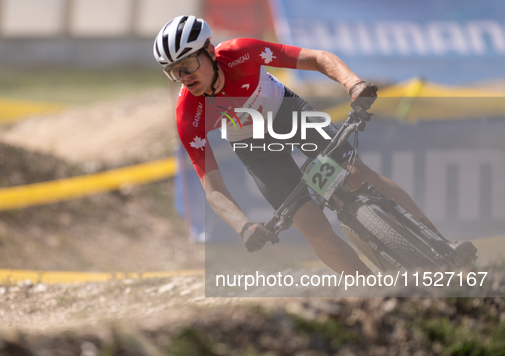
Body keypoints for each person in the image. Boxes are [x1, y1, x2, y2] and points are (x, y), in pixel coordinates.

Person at [153, 15, 477, 274]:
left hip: (285, 112)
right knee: (313, 227)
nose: (184, 77)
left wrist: (354, 84)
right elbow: (213, 189)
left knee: (353, 173)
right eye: (174, 72)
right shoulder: (188, 115)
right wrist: (243, 226)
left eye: (189, 65)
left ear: (210, 51)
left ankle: (441, 242)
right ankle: (370, 291)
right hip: (253, 146)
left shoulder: (241, 52)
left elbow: (318, 58)